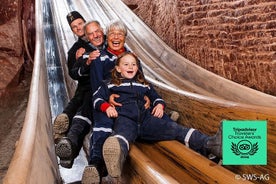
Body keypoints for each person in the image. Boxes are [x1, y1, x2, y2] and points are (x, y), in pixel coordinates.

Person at [93, 52, 222, 181]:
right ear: (118, 68)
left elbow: (156, 98)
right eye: (126, 64)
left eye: (134, 64)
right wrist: (107, 107)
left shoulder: (144, 84)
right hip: (125, 118)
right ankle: (115, 160)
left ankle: (211, 144)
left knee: (176, 129)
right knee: (121, 135)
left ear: (138, 68)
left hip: (147, 120)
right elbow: (96, 98)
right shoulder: (110, 84)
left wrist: (159, 105)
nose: (130, 67)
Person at [81, 20, 178, 184]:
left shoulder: (133, 58)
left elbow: (142, 82)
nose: (116, 37)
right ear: (107, 37)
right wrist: (107, 99)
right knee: (103, 121)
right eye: (112, 34)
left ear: (125, 38)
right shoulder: (100, 58)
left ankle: (167, 121)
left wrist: (147, 98)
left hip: (132, 104)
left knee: (149, 113)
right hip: (109, 100)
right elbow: (97, 86)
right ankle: (96, 165)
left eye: (120, 34)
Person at [55, 19, 106, 168]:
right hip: (88, 86)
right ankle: (68, 143)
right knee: (83, 104)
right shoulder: (77, 50)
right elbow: (74, 72)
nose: (78, 28)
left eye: (80, 24)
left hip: (105, 89)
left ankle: (69, 138)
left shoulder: (109, 44)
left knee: (84, 108)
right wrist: (83, 61)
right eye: (74, 27)